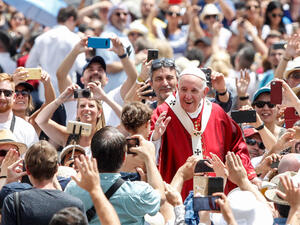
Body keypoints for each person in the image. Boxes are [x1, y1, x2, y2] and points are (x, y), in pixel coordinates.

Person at [151, 67, 256, 198]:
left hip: (214, 188)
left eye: (194, 90)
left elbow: (236, 145)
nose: (188, 96)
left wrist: (249, 175)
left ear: (205, 92)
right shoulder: (163, 112)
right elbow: (148, 152)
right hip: (179, 191)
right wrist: (156, 138)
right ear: (177, 88)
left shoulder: (216, 112)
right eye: (183, 90)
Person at [65, 126, 163, 225]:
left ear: (92, 156)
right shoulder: (139, 192)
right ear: (124, 158)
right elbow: (161, 197)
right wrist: (149, 158)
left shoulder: (72, 188)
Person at [57, 36, 137, 127]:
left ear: (106, 80)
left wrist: (122, 55)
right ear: (82, 79)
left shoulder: (113, 97)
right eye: (90, 69)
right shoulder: (74, 94)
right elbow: (61, 75)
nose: (95, 72)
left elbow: (133, 79)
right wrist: (75, 51)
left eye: (100, 70)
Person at [1, 140, 86, 225]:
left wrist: (6, 179)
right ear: (56, 169)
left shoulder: (13, 201)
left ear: (27, 170)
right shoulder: (75, 204)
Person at [26, 6, 86, 101]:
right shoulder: (74, 39)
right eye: (76, 23)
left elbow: (29, 66)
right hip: (68, 94)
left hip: (46, 95)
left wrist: (44, 77)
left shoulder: (41, 38)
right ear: (71, 19)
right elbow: (81, 68)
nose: (75, 26)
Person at [35, 83, 107, 157]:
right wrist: (60, 99)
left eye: (91, 106)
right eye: (82, 106)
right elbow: (40, 121)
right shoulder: (68, 135)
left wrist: (105, 98)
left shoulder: (106, 137)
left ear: (99, 112)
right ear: (77, 113)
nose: (86, 108)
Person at [96, 3, 135, 92]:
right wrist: (131, 64)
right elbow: (107, 67)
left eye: (125, 14)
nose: (122, 17)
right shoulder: (104, 36)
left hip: (126, 92)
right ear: (110, 17)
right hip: (110, 92)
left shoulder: (125, 37)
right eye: (117, 14)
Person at [0, 73, 38, 147]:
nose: (2, 97)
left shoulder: (27, 128)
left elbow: (34, 158)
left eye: (7, 93)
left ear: (14, 97)